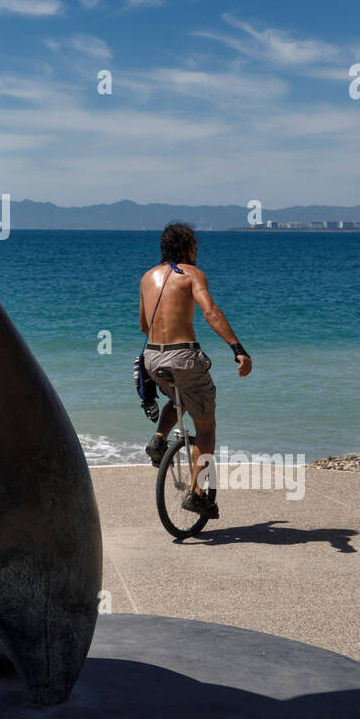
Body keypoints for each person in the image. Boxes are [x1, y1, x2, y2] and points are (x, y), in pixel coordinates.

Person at [139, 222, 252, 518]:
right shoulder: (193, 275)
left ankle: (159, 439)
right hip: (183, 357)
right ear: (185, 247)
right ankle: (198, 494)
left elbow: (142, 325)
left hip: (151, 358)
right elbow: (211, 312)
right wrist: (237, 348)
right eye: (194, 245)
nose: (197, 250)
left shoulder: (147, 277)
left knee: (180, 399)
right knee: (206, 427)